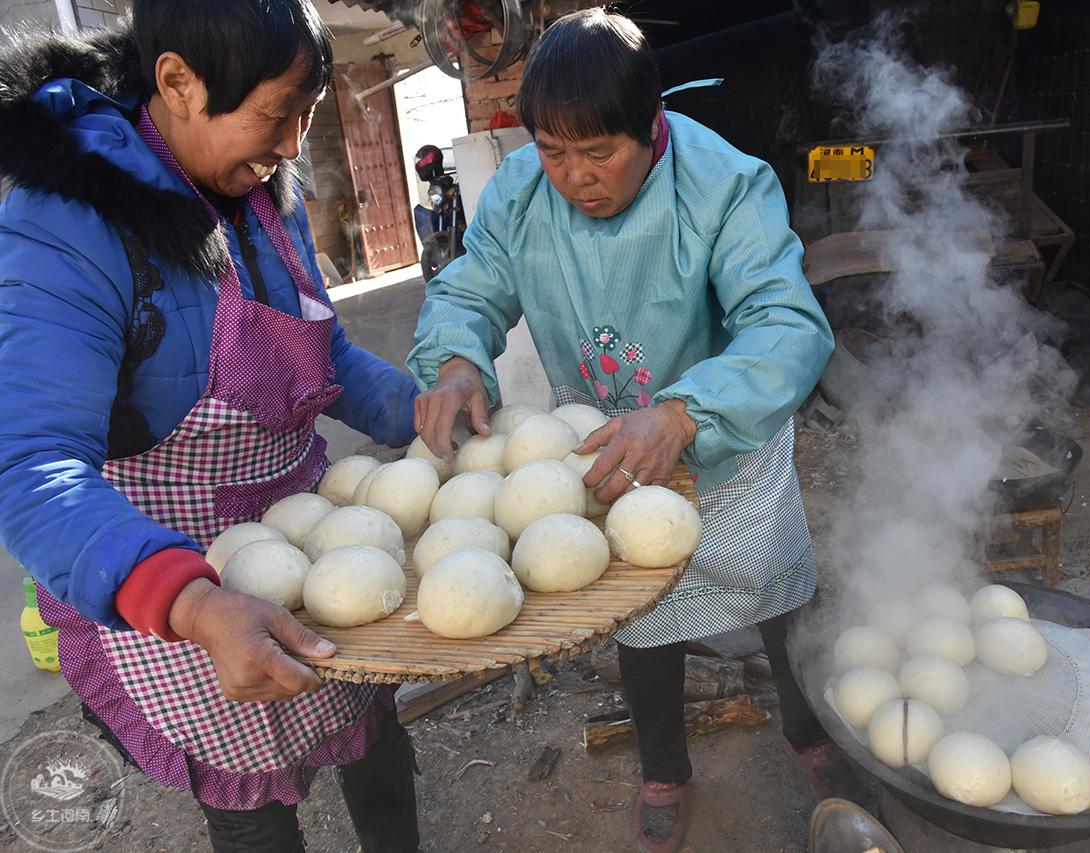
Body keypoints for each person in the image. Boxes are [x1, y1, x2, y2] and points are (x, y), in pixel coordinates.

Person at [408, 9, 838, 852]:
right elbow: (470, 288)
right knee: (640, 612)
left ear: (653, 124)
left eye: (599, 152)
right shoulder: (521, 191)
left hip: (727, 440)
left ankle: (813, 733)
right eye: (553, 151)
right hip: (610, 452)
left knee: (780, 593)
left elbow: (788, 324)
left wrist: (685, 413)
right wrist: (457, 356)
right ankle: (664, 769)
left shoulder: (727, 185)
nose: (574, 177)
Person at [0, 3, 421, 850]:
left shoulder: (262, 189)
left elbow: (321, 347)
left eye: (307, 114)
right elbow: (31, 463)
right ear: (177, 83)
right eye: (276, 114)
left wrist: (422, 410)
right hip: (170, 580)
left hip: (310, 543)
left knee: (373, 736)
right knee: (253, 809)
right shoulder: (69, 224)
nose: (296, 144)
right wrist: (187, 600)